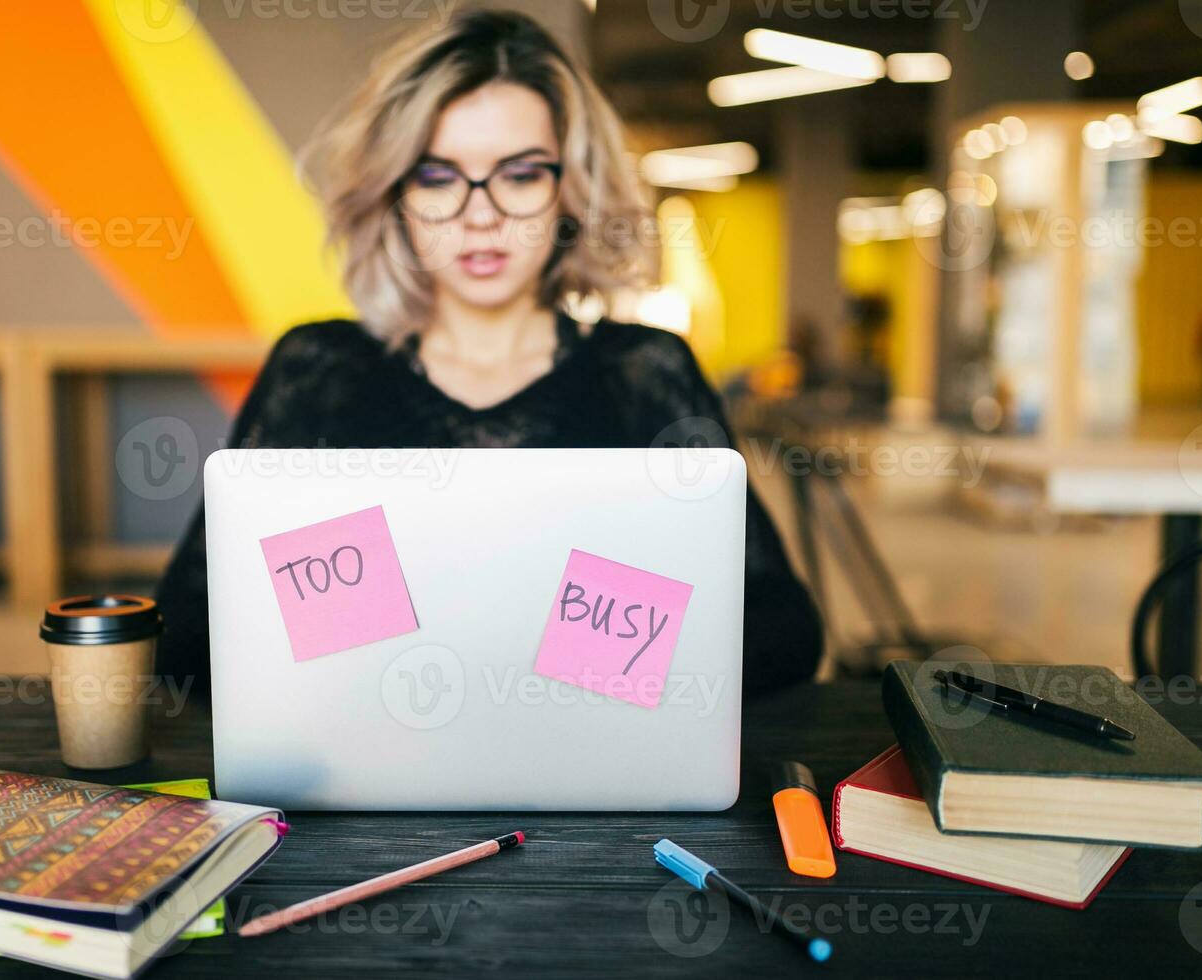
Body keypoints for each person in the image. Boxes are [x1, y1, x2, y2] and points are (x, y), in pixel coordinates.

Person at [156, 9, 821, 702]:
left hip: (589, 772)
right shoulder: (320, 368)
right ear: (397, 195)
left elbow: (784, 629)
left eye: (521, 174)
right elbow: (184, 633)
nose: (481, 214)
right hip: (368, 763)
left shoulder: (645, 372)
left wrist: (558, 652)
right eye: (439, 177)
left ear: (570, 187)